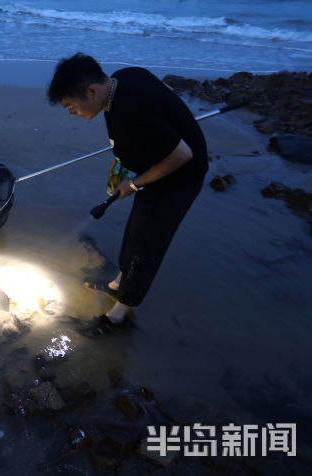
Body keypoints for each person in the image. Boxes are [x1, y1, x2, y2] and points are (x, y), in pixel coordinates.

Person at [47, 53, 208, 337]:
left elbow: (182, 155)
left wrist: (134, 184)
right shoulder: (124, 77)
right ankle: (118, 284)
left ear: (91, 91)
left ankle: (118, 316)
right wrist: (125, 161)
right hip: (153, 167)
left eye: (71, 106)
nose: (72, 113)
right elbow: (165, 93)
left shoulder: (134, 110)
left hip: (178, 178)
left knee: (146, 245)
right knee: (135, 230)